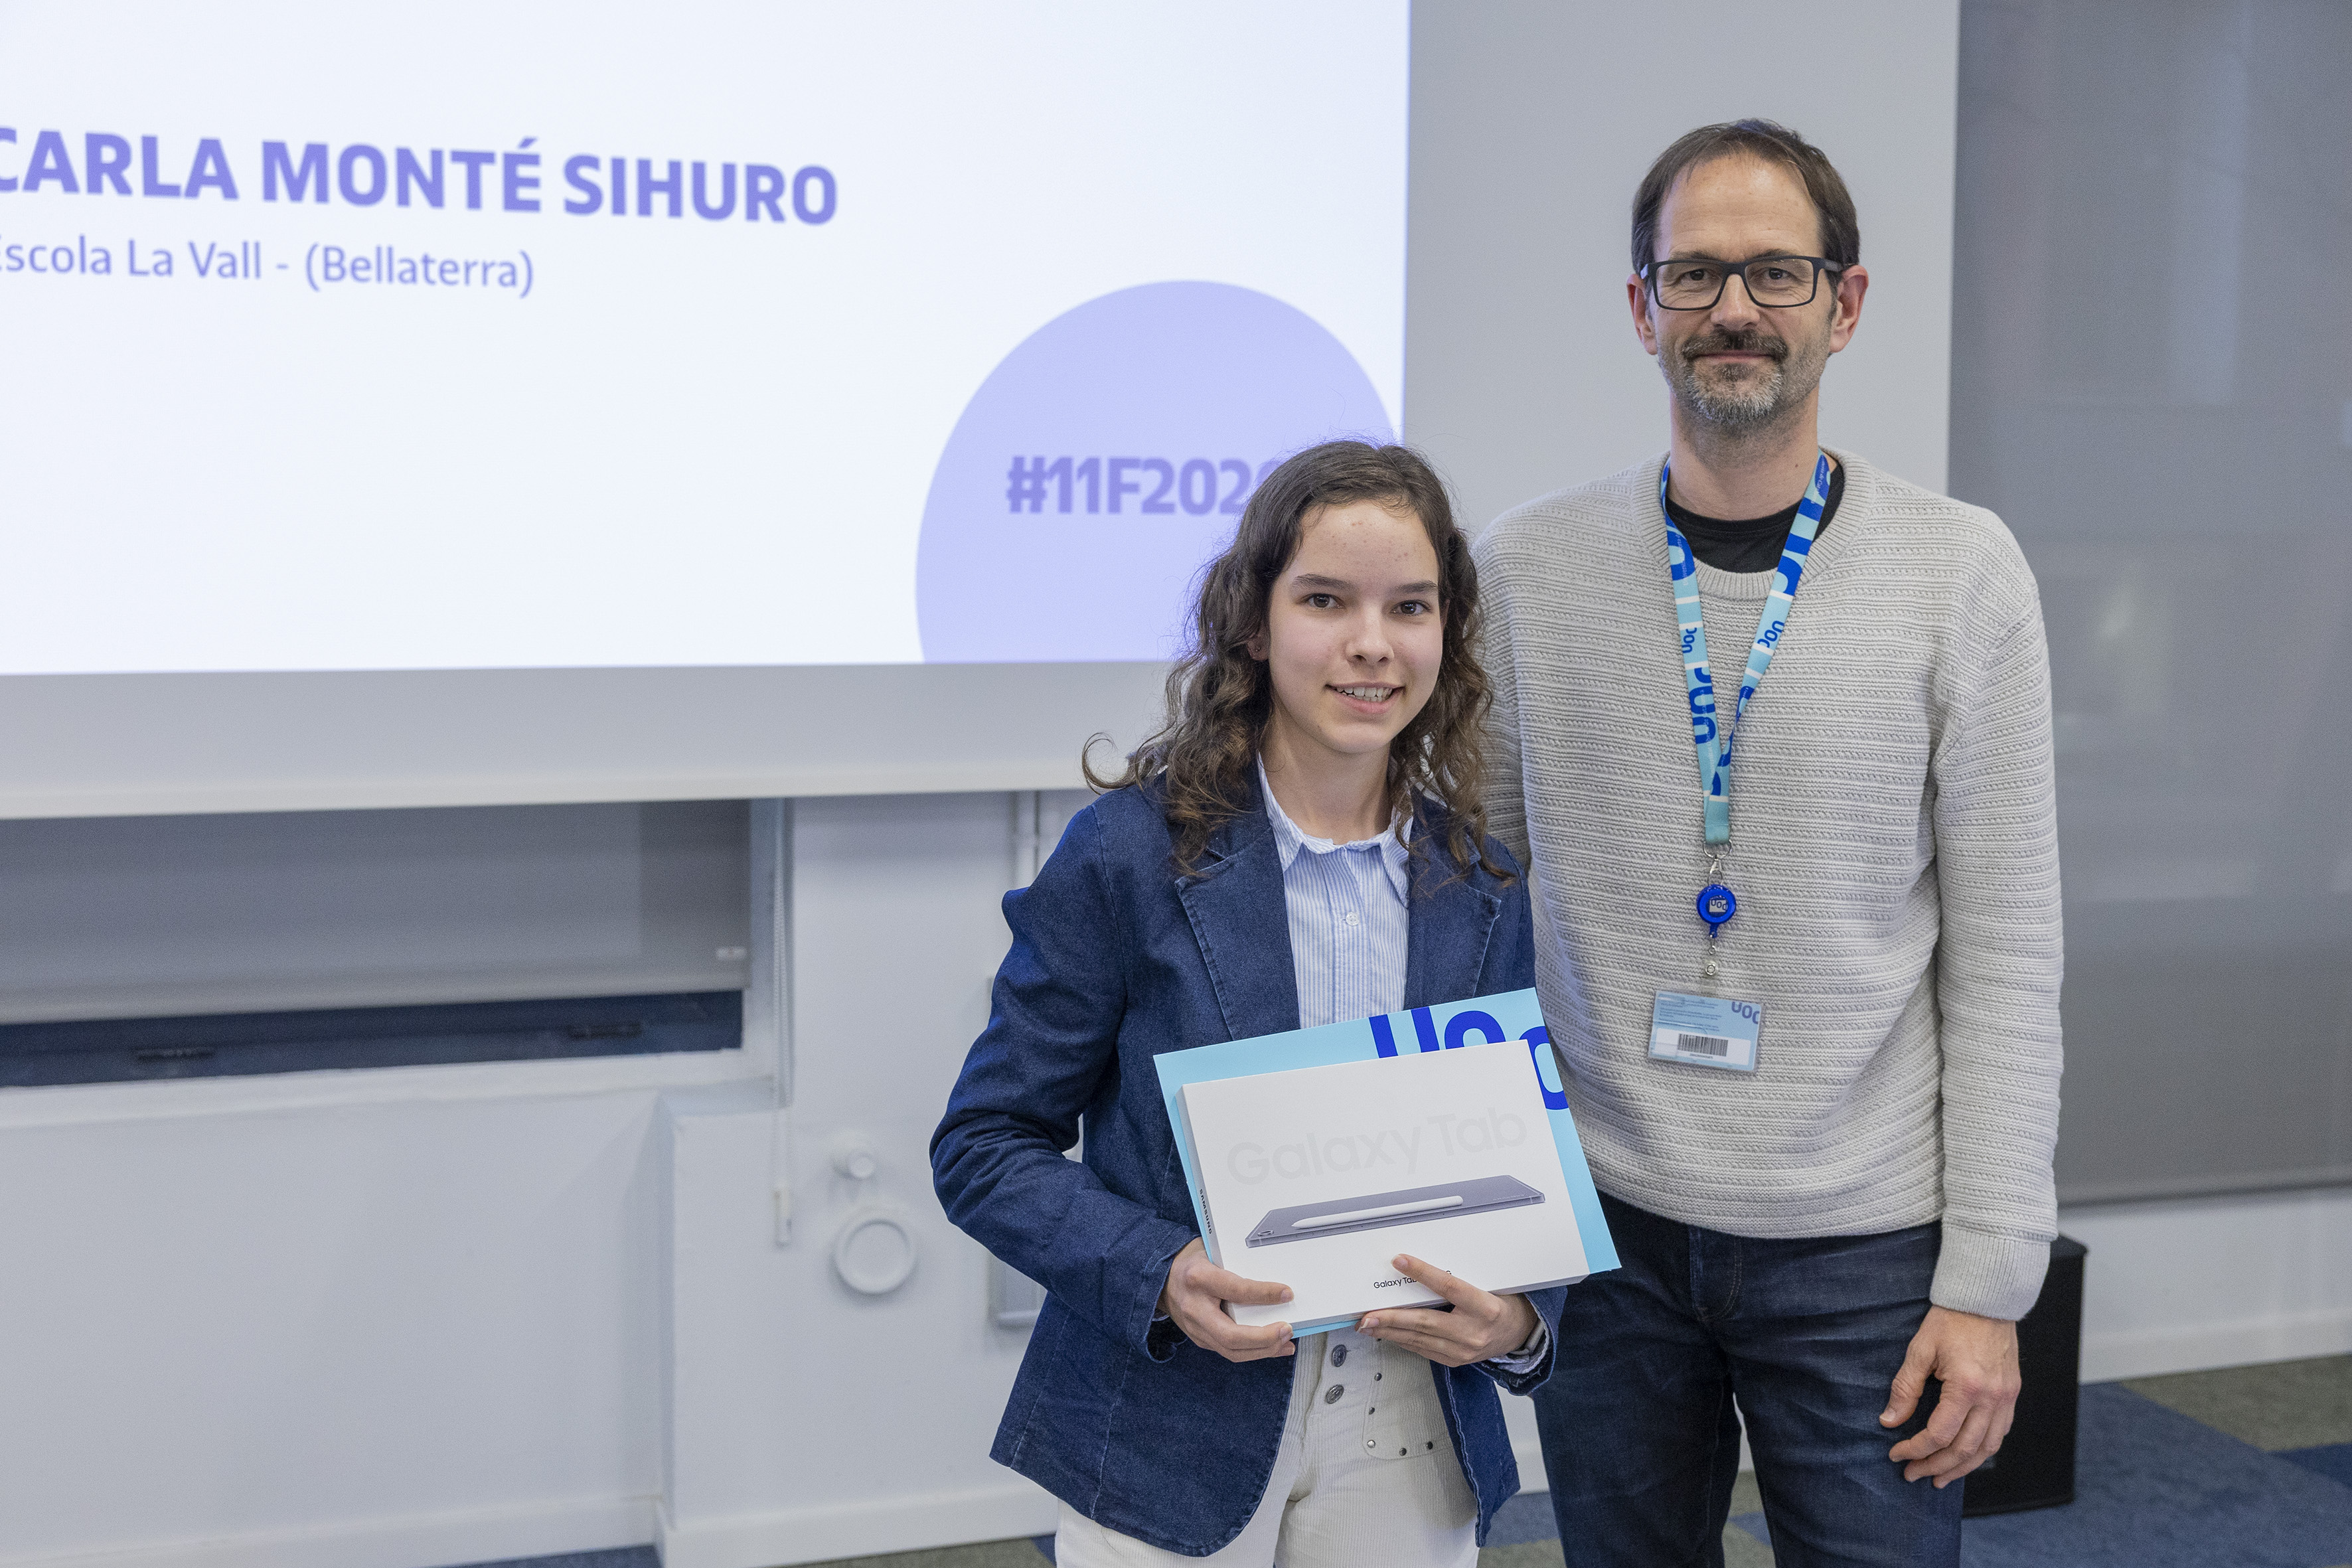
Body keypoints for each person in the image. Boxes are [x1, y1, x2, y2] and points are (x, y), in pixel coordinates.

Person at [1473, 119, 2062, 1567]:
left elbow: (2005, 959)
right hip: (1601, 1232)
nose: (1731, 308)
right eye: (1691, 274)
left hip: (1864, 1247)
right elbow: (1472, 913)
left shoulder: (1960, 571)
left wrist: (1988, 1281)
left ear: (1842, 305)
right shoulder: (1522, 571)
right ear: (1639, 310)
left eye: (1774, 272)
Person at [931, 441, 1565, 1566]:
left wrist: (1520, 1324)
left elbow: (1526, 1167)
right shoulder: (1129, 855)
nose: (1372, 642)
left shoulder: (1482, 884)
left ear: (1445, 635)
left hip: (1411, 1436)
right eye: (1327, 599)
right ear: (1257, 624)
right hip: (1166, 1427)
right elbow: (984, 1145)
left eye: (1409, 606)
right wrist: (1159, 1271)